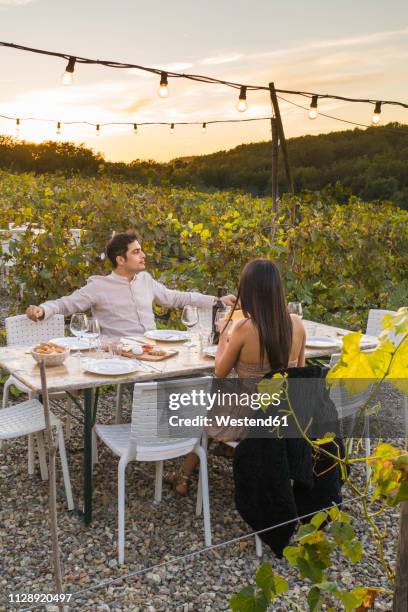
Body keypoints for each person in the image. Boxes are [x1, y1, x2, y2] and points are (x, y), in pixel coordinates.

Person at [165, 258, 306, 495]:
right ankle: (226, 452)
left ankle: (183, 476)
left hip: (250, 420)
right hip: (285, 416)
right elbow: (301, 374)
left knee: (207, 408)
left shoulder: (244, 328)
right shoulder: (297, 324)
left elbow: (219, 371)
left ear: (248, 291)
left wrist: (224, 337)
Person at [26, 231, 236, 336]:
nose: (143, 255)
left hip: (154, 350)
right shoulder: (99, 286)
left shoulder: (145, 280)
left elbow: (177, 297)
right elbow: (66, 304)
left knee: (194, 378)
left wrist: (217, 300)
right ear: (120, 260)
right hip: (123, 357)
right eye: (136, 252)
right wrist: (42, 310)